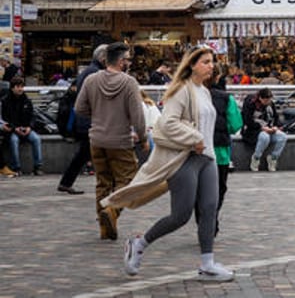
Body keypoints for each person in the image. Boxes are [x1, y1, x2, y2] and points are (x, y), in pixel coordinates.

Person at [105, 46, 234, 282]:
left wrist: (206, 146)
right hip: (184, 158)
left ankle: (207, 264)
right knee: (181, 215)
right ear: (192, 64)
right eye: (205, 61)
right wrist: (194, 138)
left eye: (212, 61)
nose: (211, 66)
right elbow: (168, 123)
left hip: (208, 159)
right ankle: (139, 243)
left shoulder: (204, 91)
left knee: (209, 211)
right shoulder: (182, 91)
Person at [75, 42, 148, 241]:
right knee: (128, 182)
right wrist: (143, 138)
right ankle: (113, 211)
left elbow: (79, 109)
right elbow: (137, 116)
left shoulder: (91, 80)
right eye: (128, 59)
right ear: (122, 61)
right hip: (121, 141)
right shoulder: (129, 83)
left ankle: (105, 228)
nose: (130, 63)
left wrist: (98, 114)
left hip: (97, 139)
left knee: (103, 183)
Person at [57, 44, 108, 196]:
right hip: (89, 121)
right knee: (93, 153)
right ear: (103, 58)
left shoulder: (91, 71)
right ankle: (110, 184)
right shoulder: (94, 72)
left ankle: (66, 183)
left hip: (87, 120)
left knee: (84, 154)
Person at [207, 67, 242, 236]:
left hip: (197, 150)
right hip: (220, 150)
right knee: (219, 187)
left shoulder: (193, 95)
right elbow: (235, 125)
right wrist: (224, 128)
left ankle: (203, 219)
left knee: (200, 189)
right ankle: (212, 217)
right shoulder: (227, 98)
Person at [1, 77, 43, 175]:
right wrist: (15, 128)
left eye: (22, 86)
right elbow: (4, 118)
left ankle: (38, 167)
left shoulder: (26, 100)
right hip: (12, 130)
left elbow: (32, 116)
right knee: (14, 140)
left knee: (36, 139)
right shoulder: (5, 101)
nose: (20, 89)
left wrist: (29, 127)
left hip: (26, 128)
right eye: (18, 87)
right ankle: (16, 168)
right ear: (12, 88)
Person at [246, 88, 286, 172]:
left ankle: (273, 158)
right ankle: (256, 158)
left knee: (282, 137)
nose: (268, 102)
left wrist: (275, 126)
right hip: (254, 130)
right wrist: (261, 127)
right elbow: (247, 120)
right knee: (265, 137)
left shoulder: (271, 104)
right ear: (260, 98)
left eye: (269, 100)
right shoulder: (251, 104)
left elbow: (276, 117)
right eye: (265, 100)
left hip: (269, 128)